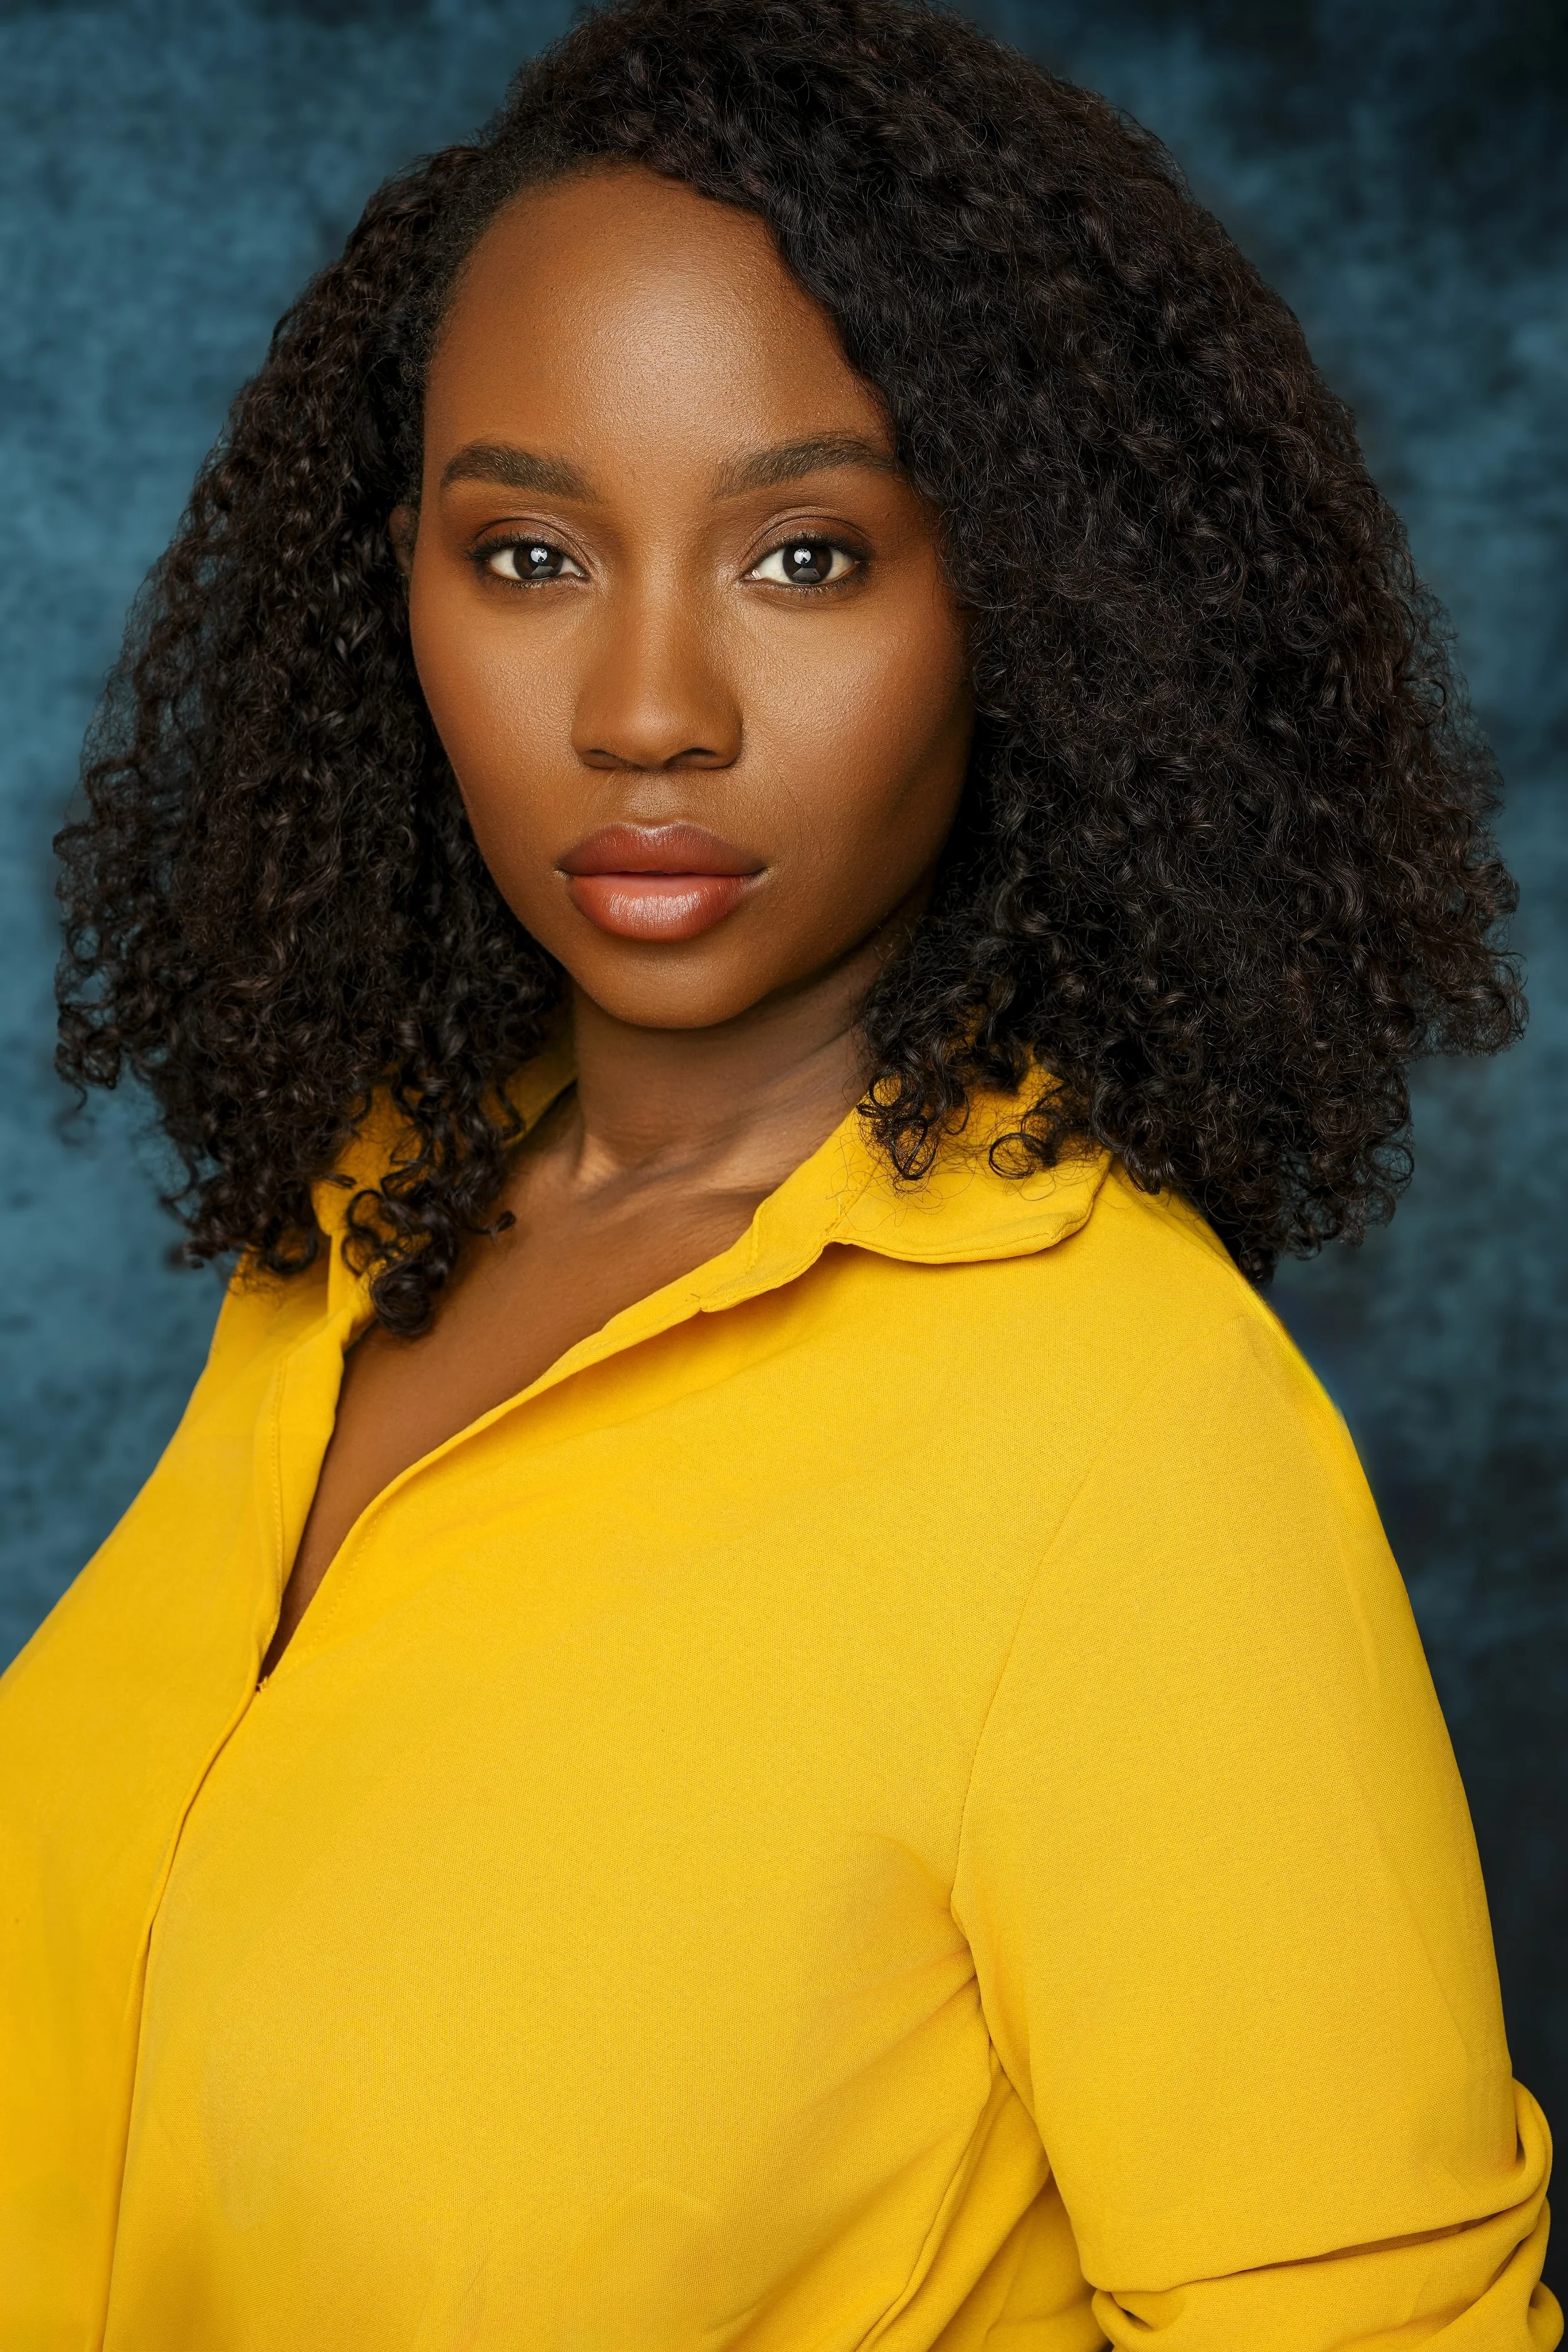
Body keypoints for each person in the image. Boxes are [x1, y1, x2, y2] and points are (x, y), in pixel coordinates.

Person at [1, 1, 1555, 2344]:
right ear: (386, 590)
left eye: (805, 559)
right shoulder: (373, 1208)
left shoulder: (1122, 1438)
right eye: (525, 552)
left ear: (1026, 608)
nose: (644, 708)